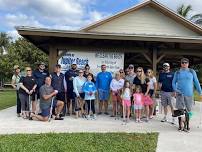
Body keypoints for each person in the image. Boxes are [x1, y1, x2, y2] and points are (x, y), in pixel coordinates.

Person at [172, 58, 202, 131]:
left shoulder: (192, 71)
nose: (184, 64)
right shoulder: (177, 72)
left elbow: (196, 82)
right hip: (180, 94)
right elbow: (173, 83)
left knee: (188, 110)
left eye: (185, 62)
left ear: (188, 64)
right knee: (180, 110)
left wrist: (200, 92)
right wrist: (176, 90)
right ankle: (180, 126)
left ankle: (186, 125)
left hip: (189, 94)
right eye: (182, 62)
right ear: (181, 64)